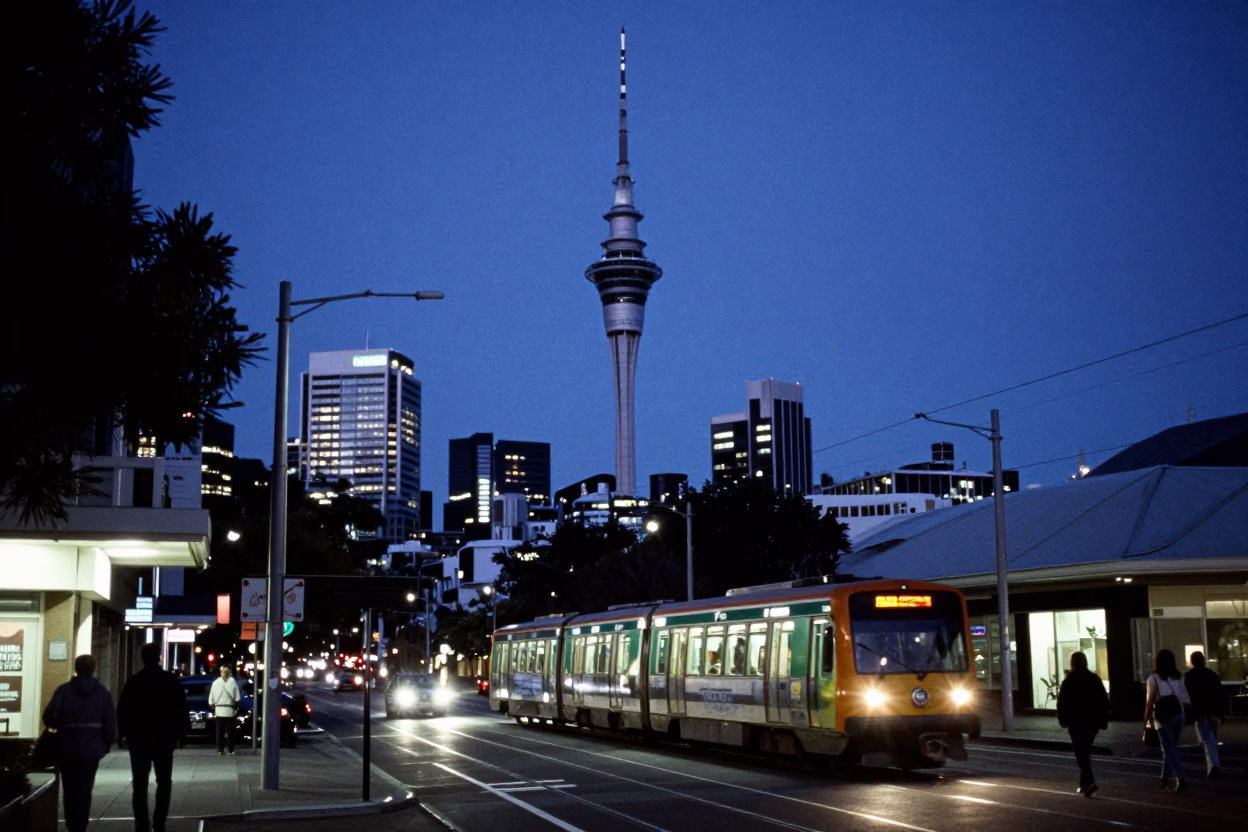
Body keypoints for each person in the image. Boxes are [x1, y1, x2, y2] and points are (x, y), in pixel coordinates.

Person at [117, 643, 190, 832]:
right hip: (164, 738)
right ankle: (159, 823)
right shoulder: (170, 680)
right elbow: (181, 708)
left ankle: (142, 824)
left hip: (139, 738)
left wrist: (123, 734)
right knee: (164, 781)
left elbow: (123, 710)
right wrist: (181, 734)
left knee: (140, 783)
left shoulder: (134, 681)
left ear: (142, 658)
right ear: (158, 656)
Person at [42, 654, 117, 832]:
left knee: (69, 788)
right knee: (85, 788)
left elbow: (49, 717)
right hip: (91, 749)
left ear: (76, 669)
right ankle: (80, 824)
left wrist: (61, 726)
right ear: (93, 669)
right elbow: (109, 722)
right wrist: (106, 743)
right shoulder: (102, 693)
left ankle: (71, 824)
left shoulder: (64, 691)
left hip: (67, 747)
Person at [1056, 651, 1110, 797]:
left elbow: (1062, 703)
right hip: (1092, 721)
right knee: (1084, 751)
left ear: (1072, 663)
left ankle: (1090, 782)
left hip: (1075, 722)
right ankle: (1083, 784)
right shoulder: (1094, 679)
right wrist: (1103, 720)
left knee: (1081, 753)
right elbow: (1103, 701)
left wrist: (1062, 719)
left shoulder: (1069, 681)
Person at [1144, 648, 1190, 792]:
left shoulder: (1154, 678)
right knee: (1171, 748)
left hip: (1162, 717)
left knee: (1169, 749)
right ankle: (1164, 778)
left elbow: (1150, 701)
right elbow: (1184, 698)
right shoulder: (1178, 677)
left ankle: (1180, 778)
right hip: (1178, 714)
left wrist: (1146, 718)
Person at [1185, 650, 1226, 780]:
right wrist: (1221, 713)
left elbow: (1188, 696)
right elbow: (1220, 694)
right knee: (1212, 738)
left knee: (1207, 740)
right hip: (1213, 712)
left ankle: (1214, 765)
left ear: (1192, 661)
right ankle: (1213, 765)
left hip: (1200, 712)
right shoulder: (1212, 675)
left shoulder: (1189, 676)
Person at [208, 664, 242, 754]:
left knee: (219, 732)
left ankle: (220, 749)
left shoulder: (215, 683)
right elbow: (237, 698)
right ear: (229, 673)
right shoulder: (233, 682)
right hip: (229, 711)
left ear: (221, 673)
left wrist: (213, 705)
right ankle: (230, 750)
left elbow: (210, 700)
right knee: (230, 732)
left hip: (218, 711)